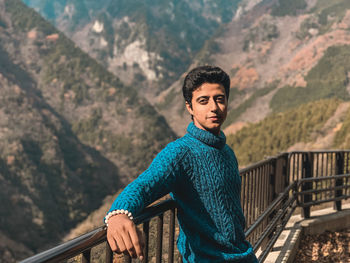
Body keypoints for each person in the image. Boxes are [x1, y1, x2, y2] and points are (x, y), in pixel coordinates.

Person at [105, 65, 258, 262]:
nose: (214, 107)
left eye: (219, 99)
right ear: (190, 107)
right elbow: (144, 185)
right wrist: (118, 215)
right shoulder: (180, 153)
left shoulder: (227, 151)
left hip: (243, 254)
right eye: (203, 101)